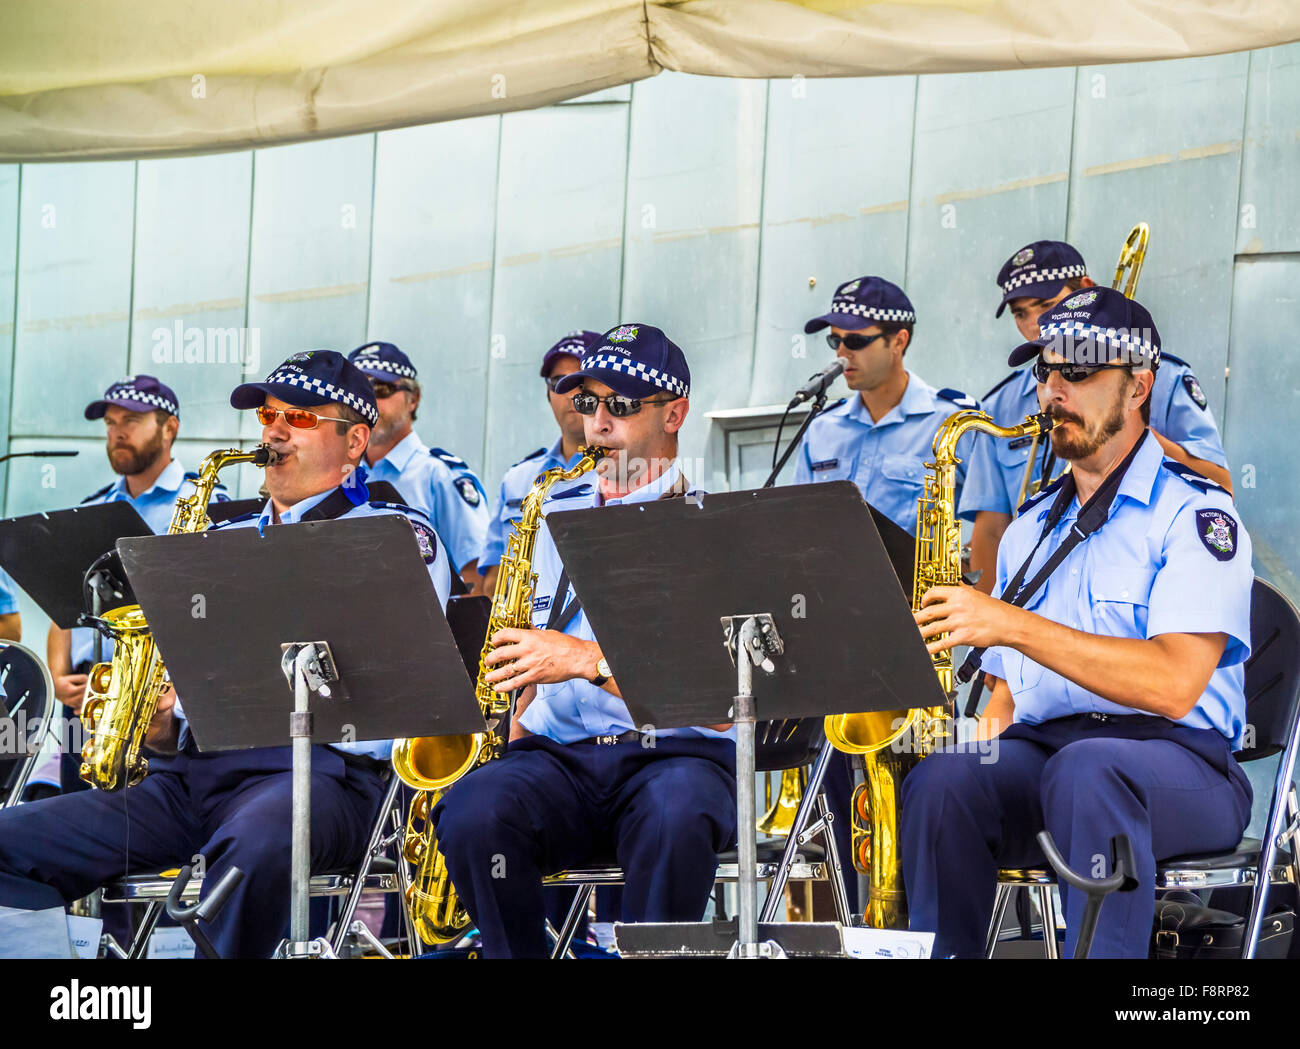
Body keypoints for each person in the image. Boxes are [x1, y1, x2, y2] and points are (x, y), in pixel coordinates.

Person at [0, 350, 451, 958]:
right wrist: (158, 724)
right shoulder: (216, 538)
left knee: (257, 842)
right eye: (269, 415)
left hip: (326, 778)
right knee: (12, 838)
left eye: (300, 417)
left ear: (354, 443)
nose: (275, 429)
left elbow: (403, 695)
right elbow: (180, 709)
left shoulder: (398, 535)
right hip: (193, 780)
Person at [902, 287, 1253, 959]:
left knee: (1089, 770)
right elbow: (1007, 701)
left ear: (1139, 386)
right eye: (1046, 370)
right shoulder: (1030, 527)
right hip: (1054, 755)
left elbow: (1176, 684)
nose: (1053, 390)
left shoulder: (1197, 515)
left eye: (1080, 372)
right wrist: (947, 743)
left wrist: (1011, 624)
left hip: (1183, 762)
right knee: (944, 778)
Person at [433, 323, 736, 959]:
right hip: (559, 756)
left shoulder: (714, 527)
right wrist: (511, 719)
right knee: (472, 813)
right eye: (586, 402)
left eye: (621, 405)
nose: (596, 422)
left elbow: (714, 699)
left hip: (673, 755)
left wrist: (584, 662)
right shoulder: (547, 515)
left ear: (675, 414)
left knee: (677, 816)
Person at [962, 240, 1232, 593]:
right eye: (1020, 313)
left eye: (1045, 305)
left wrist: (1118, 426)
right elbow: (992, 525)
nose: (1033, 325)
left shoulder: (1165, 380)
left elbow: (1219, 486)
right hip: (1034, 581)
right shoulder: (1000, 404)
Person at [47, 376, 223, 794]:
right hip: (85, 699)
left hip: (154, 705)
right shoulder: (92, 507)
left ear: (170, 428)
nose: (117, 432)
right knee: (74, 832)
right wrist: (59, 677)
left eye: (131, 419)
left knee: (139, 838)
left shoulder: (209, 505)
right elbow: (64, 607)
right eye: (110, 422)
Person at [795, 276, 978, 537]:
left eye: (856, 341)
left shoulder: (955, 423)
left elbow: (992, 522)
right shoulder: (821, 428)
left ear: (898, 341)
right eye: (835, 341)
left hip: (917, 578)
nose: (842, 354)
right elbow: (801, 524)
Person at [347, 342, 489, 594]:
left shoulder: (439, 474)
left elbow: (475, 576)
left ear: (413, 399)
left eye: (381, 389)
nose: (368, 402)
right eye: (358, 391)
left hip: (425, 628)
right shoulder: (340, 474)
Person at [479, 330, 602, 597]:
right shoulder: (517, 478)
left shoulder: (627, 474)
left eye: (582, 381)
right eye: (560, 381)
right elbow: (491, 582)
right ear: (548, 393)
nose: (571, 393)